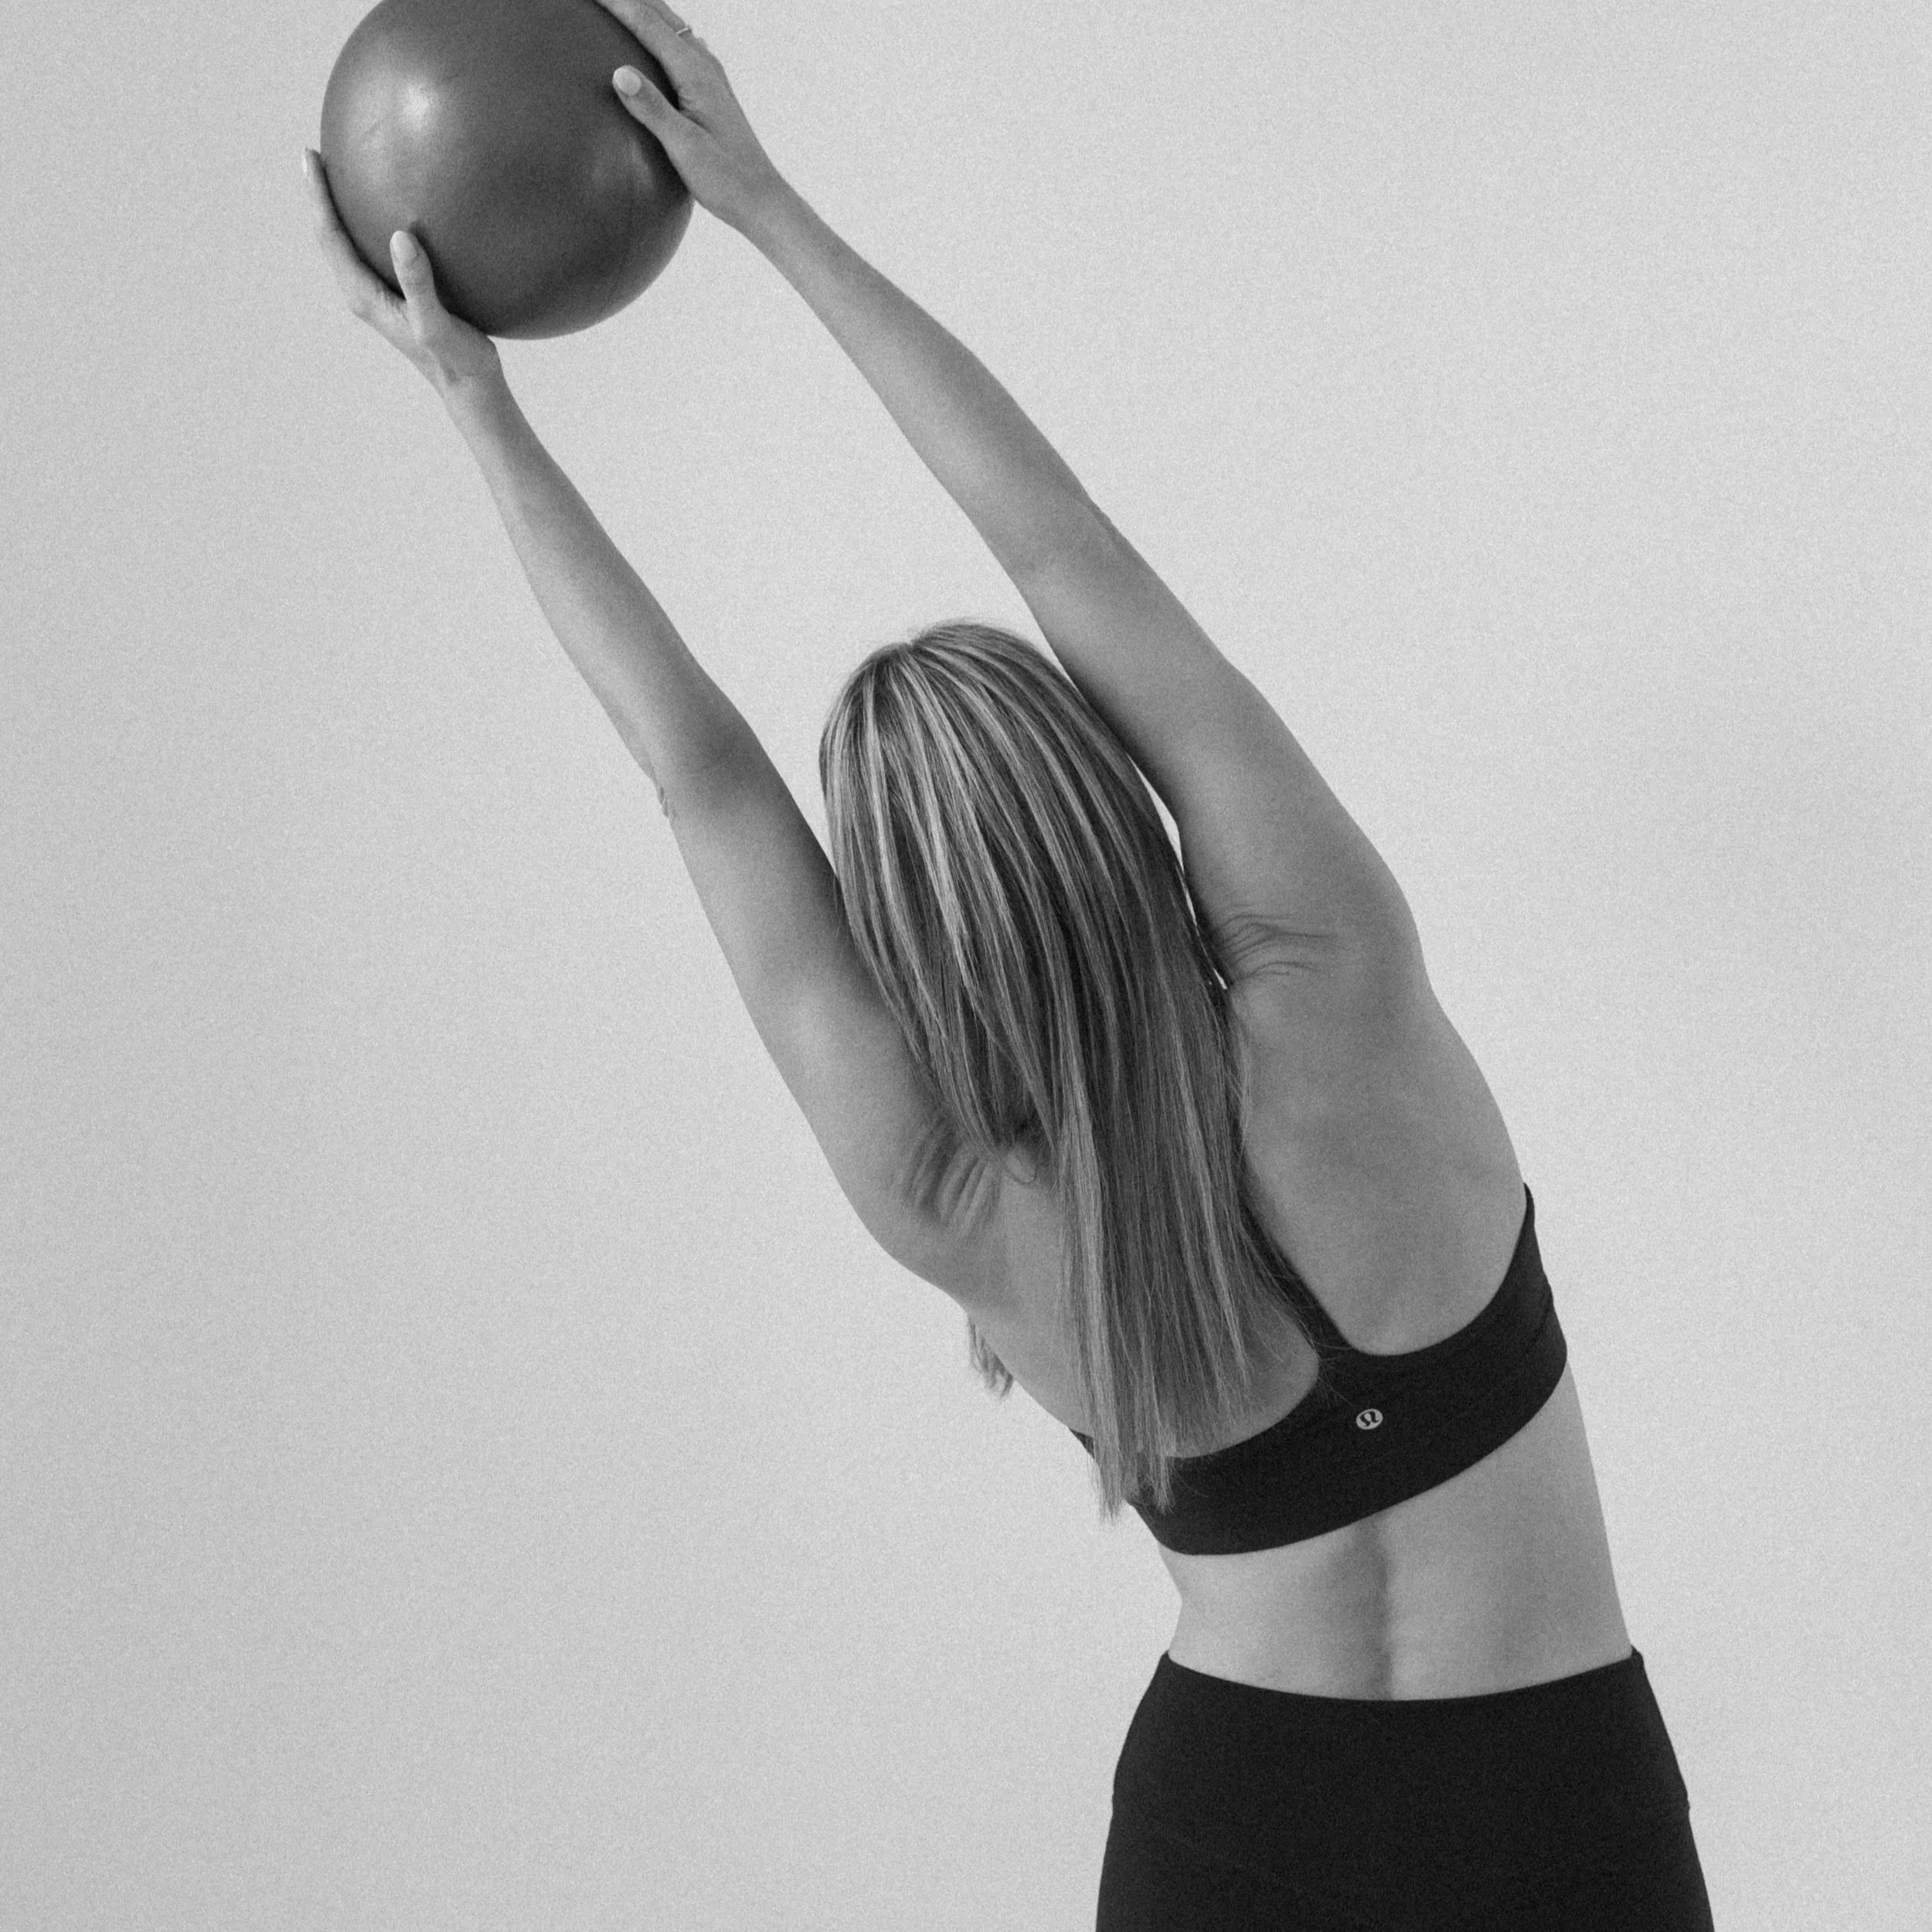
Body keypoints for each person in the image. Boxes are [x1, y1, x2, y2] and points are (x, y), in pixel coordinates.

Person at [305, 2, 1716, 1923]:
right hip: (1557, 1806)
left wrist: (473, 399)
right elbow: (1059, 550)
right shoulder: (1334, 982)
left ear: (903, 934)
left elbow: (699, 775)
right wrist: (766, 208)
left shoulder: (956, 1198)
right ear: (1108, 793)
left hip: (1232, 1823)